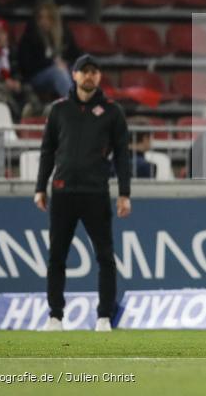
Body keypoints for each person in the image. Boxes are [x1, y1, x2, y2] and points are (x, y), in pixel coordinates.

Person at [35, 54, 132, 332]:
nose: (89, 76)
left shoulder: (112, 112)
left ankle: (104, 317)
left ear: (99, 76)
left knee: (105, 256)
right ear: (74, 75)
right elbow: (47, 152)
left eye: (94, 71)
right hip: (63, 191)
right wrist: (40, 187)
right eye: (83, 71)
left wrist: (124, 193)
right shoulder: (59, 110)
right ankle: (55, 316)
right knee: (57, 257)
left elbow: (122, 157)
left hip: (95, 192)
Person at [17, 1, 80, 100]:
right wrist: (52, 63)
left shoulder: (64, 34)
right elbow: (27, 66)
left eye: (48, 18)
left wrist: (66, 64)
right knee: (58, 72)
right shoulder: (30, 36)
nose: (43, 21)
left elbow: (76, 55)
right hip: (37, 76)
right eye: (40, 17)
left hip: (62, 70)